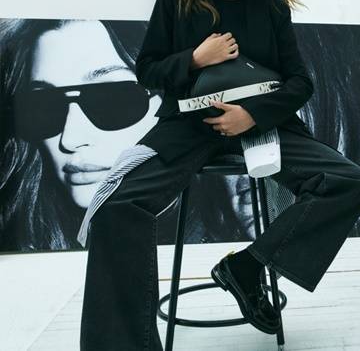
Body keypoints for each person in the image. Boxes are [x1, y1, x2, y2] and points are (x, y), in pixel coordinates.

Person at [79, 0, 360, 350]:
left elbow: (299, 82)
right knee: (117, 207)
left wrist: (251, 114)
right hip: (189, 126)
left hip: (260, 124)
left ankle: (247, 267)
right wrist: (196, 58)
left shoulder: (271, 8)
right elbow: (148, 70)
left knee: (349, 182)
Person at [0, 19, 253, 251]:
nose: (71, 140)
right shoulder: (23, 233)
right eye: (45, 105)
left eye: (113, 100)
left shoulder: (237, 225)